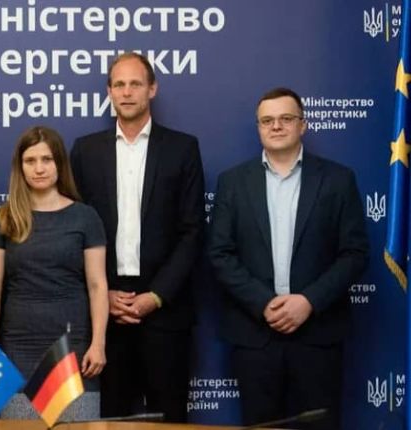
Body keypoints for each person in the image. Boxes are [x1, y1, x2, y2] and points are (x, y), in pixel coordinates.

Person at [208, 87, 369, 429]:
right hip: (255, 337)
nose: (276, 126)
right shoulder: (232, 182)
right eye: (267, 120)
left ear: (303, 124)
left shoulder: (338, 180)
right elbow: (220, 254)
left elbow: (354, 254)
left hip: (318, 335)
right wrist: (264, 303)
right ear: (258, 127)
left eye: (285, 118)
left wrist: (309, 301)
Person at [70, 52, 205, 422]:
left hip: (165, 308)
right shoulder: (85, 150)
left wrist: (156, 296)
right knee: (111, 418)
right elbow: (74, 230)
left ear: (152, 89)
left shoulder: (182, 148)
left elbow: (192, 231)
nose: (126, 92)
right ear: (109, 92)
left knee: (170, 419)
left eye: (135, 84)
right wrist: (103, 293)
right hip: (107, 310)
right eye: (119, 84)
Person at [0, 125, 108, 419]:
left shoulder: (85, 217)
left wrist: (98, 343)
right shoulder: (4, 219)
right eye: (30, 160)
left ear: (59, 163)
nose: (39, 168)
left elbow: (98, 285)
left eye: (47, 159)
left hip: (73, 349)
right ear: (20, 167)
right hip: (17, 351)